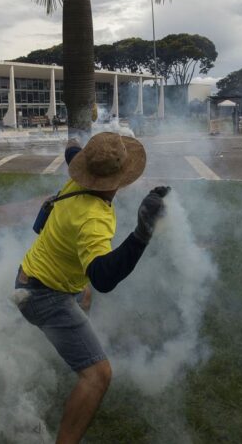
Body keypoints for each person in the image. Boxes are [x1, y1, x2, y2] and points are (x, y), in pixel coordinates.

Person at [13, 132, 169, 443]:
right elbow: (102, 277)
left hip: (32, 276)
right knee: (99, 375)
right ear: (120, 178)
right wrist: (142, 233)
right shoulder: (93, 218)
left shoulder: (79, 177)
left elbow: (72, 149)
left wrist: (74, 137)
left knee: (84, 295)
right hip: (43, 295)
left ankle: (78, 344)